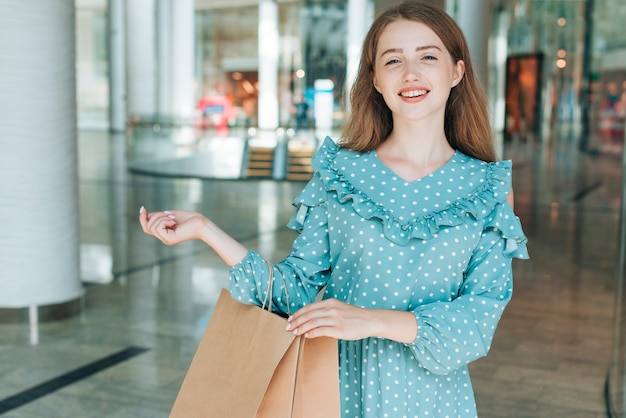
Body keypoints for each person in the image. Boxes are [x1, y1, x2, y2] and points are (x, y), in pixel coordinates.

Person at [139, 1, 529, 416]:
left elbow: (477, 321)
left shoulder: (486, 188)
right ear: (375, 80)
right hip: (332, 389)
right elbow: (291, 292)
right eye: (393, 60)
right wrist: (206, 230)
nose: (411, 73)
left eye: (428, 56)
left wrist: (369, 320)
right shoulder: (340, 173)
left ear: (456, 71)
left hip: (430, 401)